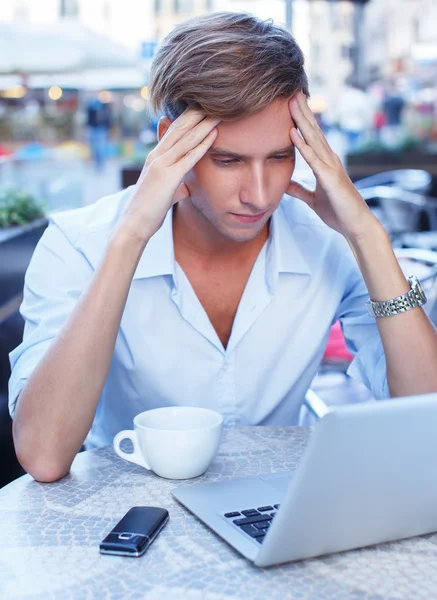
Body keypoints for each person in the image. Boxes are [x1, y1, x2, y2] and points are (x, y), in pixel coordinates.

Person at [9, 12, 437, 483]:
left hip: (279, 513)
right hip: (128, 517)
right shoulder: (79, 244)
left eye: (279, 157)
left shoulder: (327, 241)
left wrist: (368, 235)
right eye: (228, 160)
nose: (259, 194)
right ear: (171, 143)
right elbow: (44, 455)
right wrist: (129, 239)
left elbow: (426, 415)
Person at [86, 94, 112, 170]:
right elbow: (89, 118)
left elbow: (107, 118)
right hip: (95, 129)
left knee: (100, 148)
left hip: (101, 129)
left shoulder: (104, 106)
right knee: (95, 148)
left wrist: (108, 127)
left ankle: (100, 165)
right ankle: (98, 165)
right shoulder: (91, 106)